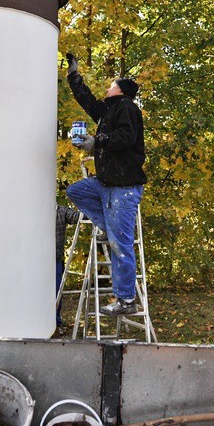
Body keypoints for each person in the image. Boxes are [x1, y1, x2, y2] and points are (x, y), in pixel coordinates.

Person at [64, 53, 147, 316]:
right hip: (105, 183)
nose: (107, 87)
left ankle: (126, 301)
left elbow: (126, 137)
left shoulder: (128, 109)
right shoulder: (108, 111)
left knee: (120, 245)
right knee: (76, 191)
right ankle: (106, 227)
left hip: (123, 188)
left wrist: (96, 142)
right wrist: (73, 77)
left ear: (120, 90)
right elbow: (87, 100)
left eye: (111, 84)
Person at [55, 203, 81, 330]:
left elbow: (77, 217)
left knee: (56, 292)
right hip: (35, 260)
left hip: (55, 260)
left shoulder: (61, 211)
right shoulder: (33, 210)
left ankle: (56, 323)